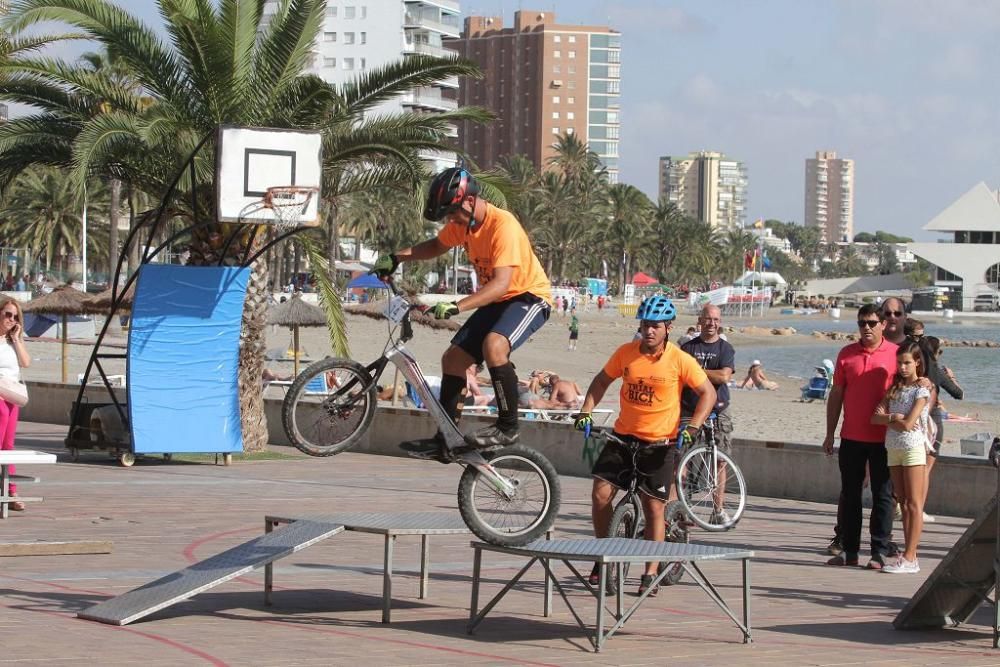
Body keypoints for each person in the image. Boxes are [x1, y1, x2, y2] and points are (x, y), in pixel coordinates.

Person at [372, 167, 552, 455]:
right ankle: (447, 439)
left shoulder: (502, 226)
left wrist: (457, 306)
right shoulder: (463, 223)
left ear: (469, 201)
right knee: (453, 359)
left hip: (528, 298)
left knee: (494, 345)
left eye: (453, 213)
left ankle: (507, 428)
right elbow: (436, 245)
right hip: (498, 300)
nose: (451, 220)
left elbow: (502, 283)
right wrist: (396, 258)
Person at [573, 295, 715, 596]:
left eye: (655, 326)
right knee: (600, 494)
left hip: (660, 444)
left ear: (668, 328)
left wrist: (693, 426)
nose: (648, 331)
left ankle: (650, 571)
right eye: (645, 325)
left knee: (653, 508)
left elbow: (708, 394)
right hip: (623, 438)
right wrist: (585, 411)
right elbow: (600, 381)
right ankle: (604, 556)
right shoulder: (625, 353)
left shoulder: (679, 360)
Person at [823, 304, 903, 570]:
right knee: (850, 495)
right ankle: (849, 551)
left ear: (883, 325)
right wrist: (829, 434)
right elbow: (836, 395)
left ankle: (879, 551)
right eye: (861, 323)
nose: (866, 327)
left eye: (871, 322)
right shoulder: (846, 354)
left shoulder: (895, 354)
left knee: (883, 495)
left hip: (884, 439)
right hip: (851, 437)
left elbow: (914, 385)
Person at [871, 341, 933, 574]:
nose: (903, 367)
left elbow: (910, 424)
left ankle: (911, 555)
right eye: (899, 363)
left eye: (907, 363)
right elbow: (875, 418)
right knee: (903, 503)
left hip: (913, 448)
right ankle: (908, 555)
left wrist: (892, 418)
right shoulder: (895, 389)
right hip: (893, 448)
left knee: (914, 503)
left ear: (917, 362)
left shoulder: (922, 390)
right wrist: (893, 417)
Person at [680, 304, 736, 517]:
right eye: (708, 319)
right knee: (682, 458)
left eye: (716, 320)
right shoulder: (687, 348)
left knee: (719, 460)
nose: (712, 323)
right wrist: (707, 375)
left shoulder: (725, 349)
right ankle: (682, 508)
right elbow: (681, 376)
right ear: (700, 320)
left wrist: (695, 372)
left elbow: (724, 377)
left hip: (719, 410)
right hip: (689, 410)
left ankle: (718, 509)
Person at [0, 296, 31, 512]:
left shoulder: (12, 341)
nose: (11, 319)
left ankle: (10, 490)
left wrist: (18, 338)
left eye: (15, 316)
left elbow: (25, 363)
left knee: (8, 446)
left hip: (12, 396)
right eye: (7, 314)